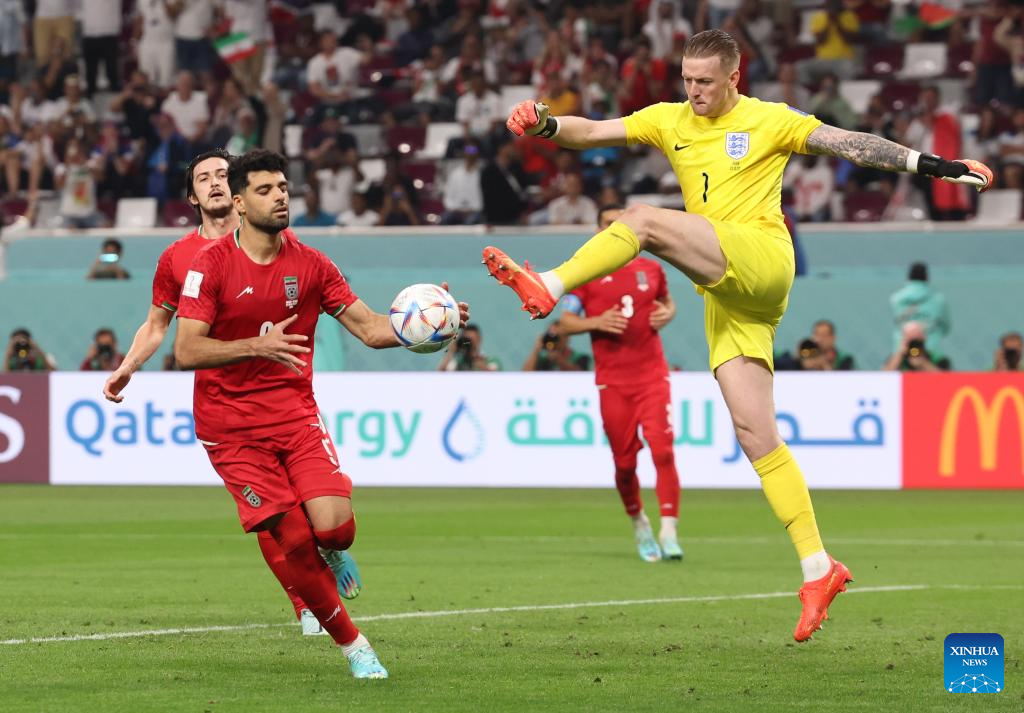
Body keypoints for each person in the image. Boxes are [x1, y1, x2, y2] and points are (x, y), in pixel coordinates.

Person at [484, 29, 992, 642]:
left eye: (704, 81)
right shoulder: (668, 118)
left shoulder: (769, 119)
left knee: (639, 218)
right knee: (756, 434)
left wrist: (934, 166)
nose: (693, 91)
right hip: (726, 293)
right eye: (686, 79)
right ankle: (818, 567)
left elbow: (850, 144)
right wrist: (544, 124)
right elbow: (590, 131)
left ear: (733, 77)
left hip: (763, 260)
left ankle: (549, 282)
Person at [172, 149, 467, 678]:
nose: (279, 197)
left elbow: (371, 328)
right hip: (231, 430)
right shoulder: (208, 266)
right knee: (295, 540)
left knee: (335, 532)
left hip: (294, 416)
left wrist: (426, 325)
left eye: (283, 187)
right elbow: (186, 350)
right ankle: (356, 647)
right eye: (265, 190)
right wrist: (255, 346)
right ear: (239, 204)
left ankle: (331, 550)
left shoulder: (312, 265)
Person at [101, 149, 334, 638]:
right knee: (272, 514)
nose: (214, 183)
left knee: (312, 512)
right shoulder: (178, 258)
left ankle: (325, 555)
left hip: (282, 398)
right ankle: (304, 601)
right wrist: (127, 367)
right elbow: (157, 324)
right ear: (192, 196)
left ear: (238, 190)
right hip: (227, 409)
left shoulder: (278, 241)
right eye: (203, 178)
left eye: (222, 175)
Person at [557, 203, 683, 563]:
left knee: (663, 450)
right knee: (625, 462)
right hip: (613, 381)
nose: (614, 228)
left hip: (652, 374)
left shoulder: (652, 269)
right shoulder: (585, 274)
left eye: (619, 222)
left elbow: (667, 303)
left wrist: (669, 312)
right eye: (607, 223)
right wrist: (595, 322)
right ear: (598, 231)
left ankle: (669, 531)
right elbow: (564, 322)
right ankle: (639, 522)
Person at [889, 261, 950, 357]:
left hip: (902, 350)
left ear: (909, 277)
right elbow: (946, 327)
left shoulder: (896, 299)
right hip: (931, 350)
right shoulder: (938, 299)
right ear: (927, 277)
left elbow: (897, 323)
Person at [882, 321, 951, 372]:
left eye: (917, 339)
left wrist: (924, 364)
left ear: (924, 338)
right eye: (910, 339)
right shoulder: (897, 360)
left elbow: (946, 380)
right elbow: (883, 377)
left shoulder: (937, 359)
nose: (914, 345)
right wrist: (899, 354)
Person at [521, 326, 590, 371]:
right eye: (550, 335)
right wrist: (536, 350)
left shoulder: (581, 357)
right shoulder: (543, 359)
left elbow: (580, 376)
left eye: (557, 336)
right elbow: (526, 375)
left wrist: (559, 360)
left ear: (567, 338)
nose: (553, 340)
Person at [437, 323, 501, 372]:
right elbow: (439, 376)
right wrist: (451, 351)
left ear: (479, 339)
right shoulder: (455, 363)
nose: (468, 343)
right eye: (466, 340)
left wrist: (474, 358)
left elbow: (495, 377)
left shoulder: (491, 362)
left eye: (471, 340)